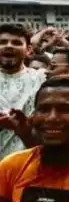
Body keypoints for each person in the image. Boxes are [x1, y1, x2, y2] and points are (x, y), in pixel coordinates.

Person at [0, 23, 44, 160]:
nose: (9, 46)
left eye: (16, 42)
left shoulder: (41, 78)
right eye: (2, 42)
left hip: (29, 163)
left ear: (29, 50)